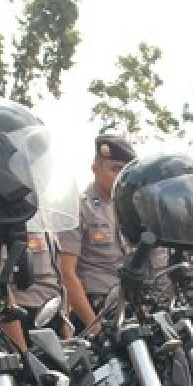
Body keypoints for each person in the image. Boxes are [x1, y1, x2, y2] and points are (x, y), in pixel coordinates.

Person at [58, 133, 134, 328]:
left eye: (126, 170)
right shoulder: (79, 207)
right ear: (95, 169)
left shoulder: (128, 208)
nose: (121, 176)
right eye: (115, 169)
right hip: (94, 309)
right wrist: (93, 326)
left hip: (127, 306)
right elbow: (66, 272)